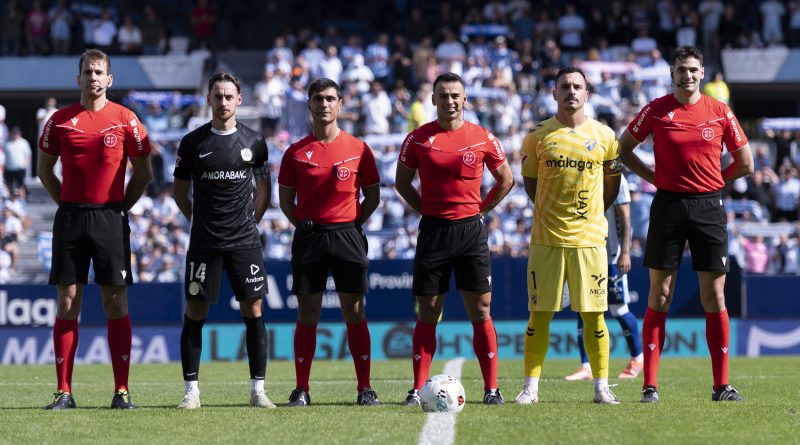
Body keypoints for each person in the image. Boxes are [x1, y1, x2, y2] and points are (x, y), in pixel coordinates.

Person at [618, 46, 754, 403]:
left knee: (715, 296)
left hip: (709, 207)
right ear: (672, 74)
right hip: (668, 205)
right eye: (681, 69)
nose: (687, 75)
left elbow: (746, 162)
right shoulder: (656, 110)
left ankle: (721, 386)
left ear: (702, 73)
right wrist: (653, 176)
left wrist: (717, 183)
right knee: (659, 295)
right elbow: (623, 148)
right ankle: (650, 385)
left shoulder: (719, 111)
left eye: (693, 69)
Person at [38, 49, 153, 410]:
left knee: (114, 300)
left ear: (109, 79)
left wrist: (119, 209)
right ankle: (63, 391)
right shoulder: (59, 120)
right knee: (67, 300)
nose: (92, 77)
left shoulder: (126, 119)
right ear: (78, 79)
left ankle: (122, 391)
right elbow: (44, 171)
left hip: (110, 218)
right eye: (87, 71)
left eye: (98, 72)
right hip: (71, 218)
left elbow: (144, 173)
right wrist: (68, 203)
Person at [395, 72, 514, 406]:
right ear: (433, 100)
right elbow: (402, 183)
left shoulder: (482, 137)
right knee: (428, 311)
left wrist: (482, 209)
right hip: (433, 232)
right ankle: (417, 390)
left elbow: (505, 180)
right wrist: (426, 210)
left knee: (481, 309)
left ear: (465, 100)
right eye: (443, 95)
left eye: (455, 95)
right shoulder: (417, 139)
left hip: (470, 232)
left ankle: (492, 389)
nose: (449, 101)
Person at [516, 66, 622, 405]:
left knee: (594, 316)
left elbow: (612, 184)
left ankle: (601, 386)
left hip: (590, 240)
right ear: (554, 93)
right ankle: (531, 388)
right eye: (565, 86)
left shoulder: (605, 136)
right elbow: (531, 182)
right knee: (540, 315)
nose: (571, 91)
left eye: (578, 86)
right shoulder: (538, 135)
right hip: (546, 239)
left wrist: (592, 213)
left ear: (587, 94)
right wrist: (549, 211)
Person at [172, 72, 274, 410]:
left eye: (230, 96)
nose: (224, 101)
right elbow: (179, 191)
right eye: (218, 96)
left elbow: (263, 190)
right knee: (195, 310)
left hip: (244, 242)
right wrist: (198, 221)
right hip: (205, 243)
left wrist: (250, 223)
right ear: (209, 99)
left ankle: (258, 389)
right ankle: (191, 392)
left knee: (254, 308)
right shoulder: (192, 142)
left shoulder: (255, 141)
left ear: (239, 100)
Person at [278, 78, 381, 407]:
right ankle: (301, 389)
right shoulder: (295, 153)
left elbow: (374, 196)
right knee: (308, 313)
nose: (324, 104)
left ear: (340, 104)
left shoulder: (359, 148)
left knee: (355, 311)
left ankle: (364, 388)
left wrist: (351, 224)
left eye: (330, 99)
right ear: (309, 105)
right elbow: (285, 201)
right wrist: (303, 226)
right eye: (318, 99)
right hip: (310, 237)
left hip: (347, 235)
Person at [564, 174, 644, 381]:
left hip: (611, 255)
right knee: (582, 307)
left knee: (618, 308)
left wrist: (625, 252)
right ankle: (586, 366)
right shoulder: (584, 172)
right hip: (587, 251)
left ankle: (637, 357)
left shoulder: (616, 178)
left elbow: (624, 217)